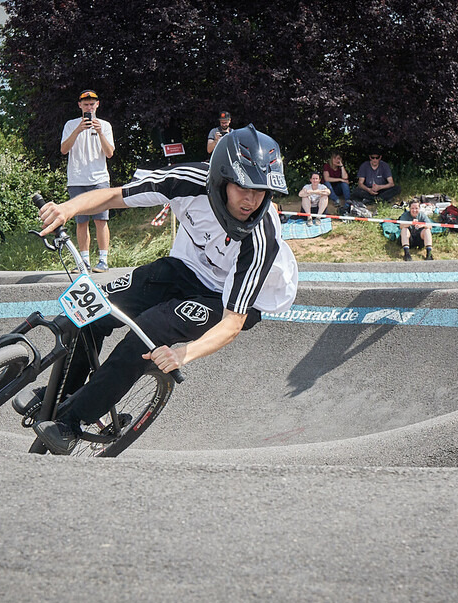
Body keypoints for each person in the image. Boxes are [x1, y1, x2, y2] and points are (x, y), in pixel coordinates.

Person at [29, 124, 297, 453]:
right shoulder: (185, 181)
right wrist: (68, 208)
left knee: (148, 331)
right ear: (222, 178)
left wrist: (184, 353)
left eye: (260, 191)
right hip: (188, 266)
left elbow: (232, 323)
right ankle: (60, 397)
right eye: (243, 188)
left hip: (233, 298)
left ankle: (71, 422)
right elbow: (116, 195)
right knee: (93, 308)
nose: (252, 201)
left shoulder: (260, 238)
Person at [61, 89, 116, 273]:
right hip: (77, 179)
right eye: (86, 105)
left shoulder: (105, 126)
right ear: (80, 106)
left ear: (97, 105)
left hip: (99, 179)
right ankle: (84, 262)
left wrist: (100, 133)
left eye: (92, 104)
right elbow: (63, 149)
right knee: (81, 222)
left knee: (101, 221)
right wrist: (78, 130)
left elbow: (109, 153)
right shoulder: (70, 125)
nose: (89, 107)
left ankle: (103, 261)